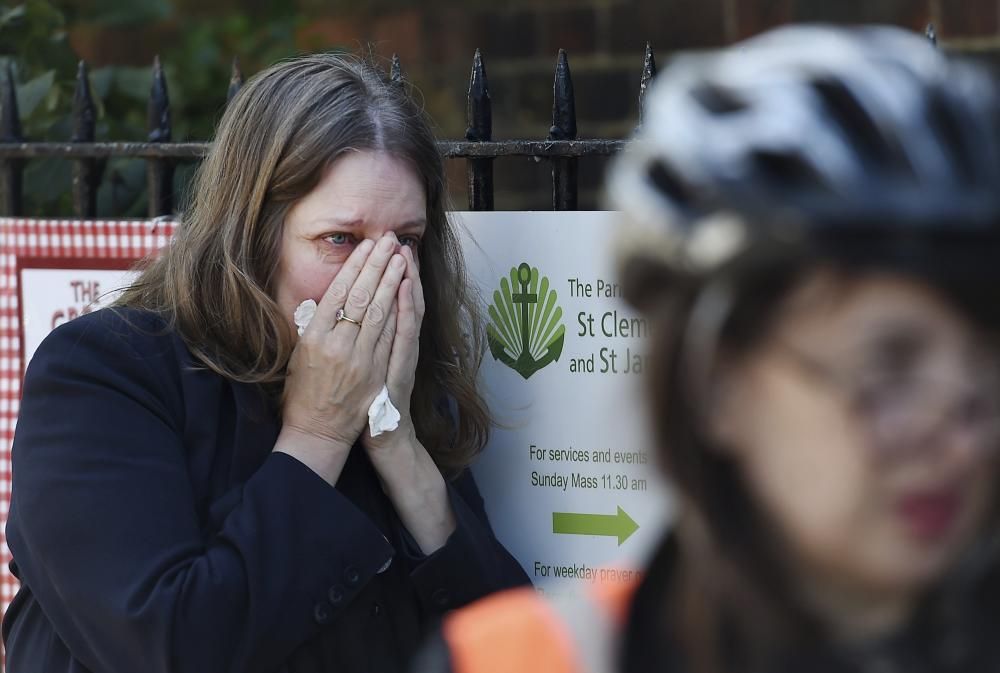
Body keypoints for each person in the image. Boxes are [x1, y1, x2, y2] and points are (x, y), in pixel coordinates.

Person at [418, 25, 1000, 673]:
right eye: (888, 371)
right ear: (715, 380)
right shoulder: (524, 660)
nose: (963, 439)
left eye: (985, 370)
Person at [3, 53, 528, 673]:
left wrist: (398, 447)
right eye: (341, 240)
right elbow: (168, 647)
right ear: (253, 236)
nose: (381, 278)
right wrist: (318, 435)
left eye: (405, 242)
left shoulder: (404, 390)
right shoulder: (104, 374)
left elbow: (513, 647)